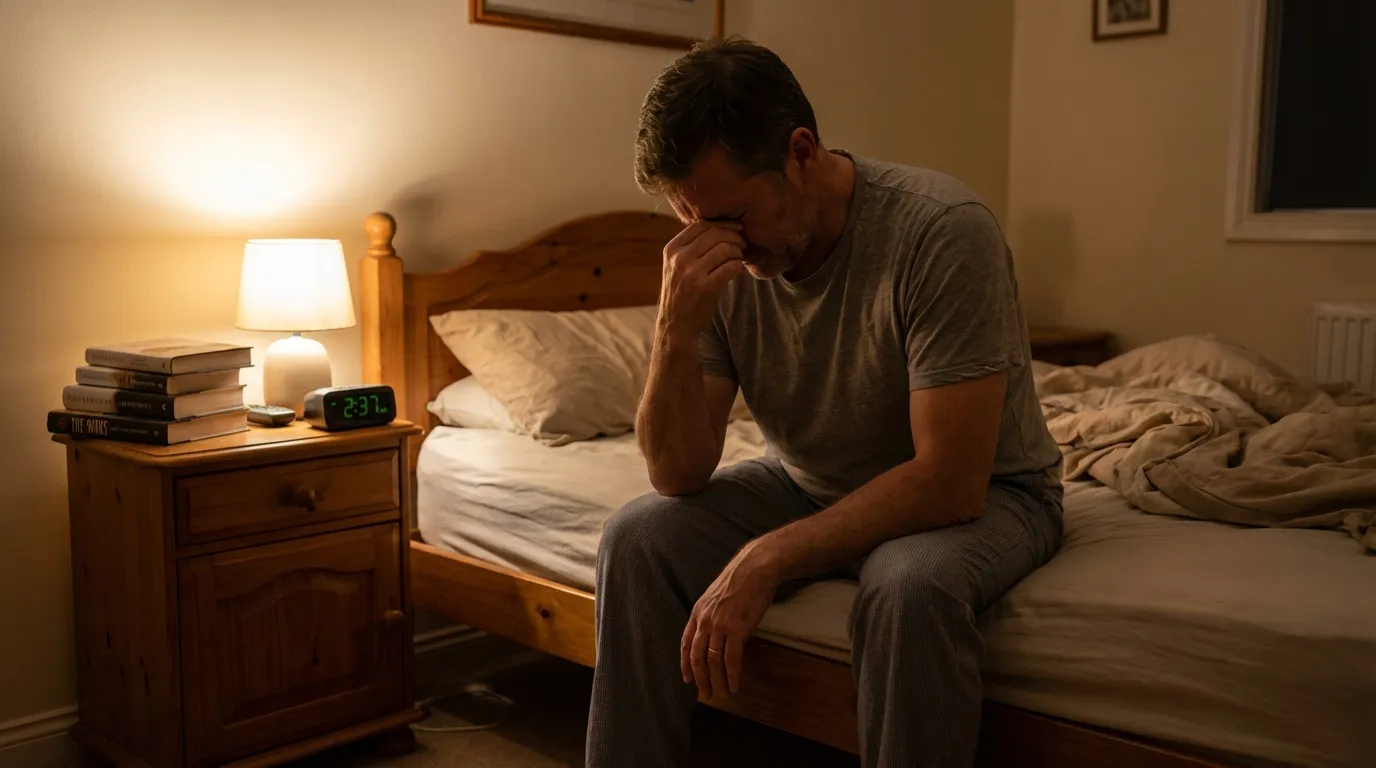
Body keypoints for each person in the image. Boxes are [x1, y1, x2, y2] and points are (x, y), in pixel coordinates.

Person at [586, 36, 1064, 768]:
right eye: (692, 223)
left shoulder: (940, 229)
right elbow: (676, 474)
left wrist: (765, 558)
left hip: (994, 492)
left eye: (734, 218)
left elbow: (951, 480)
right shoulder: (714, 265)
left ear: (801, 153)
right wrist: (673, 331)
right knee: (637, 537)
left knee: (908, 586)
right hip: (807, 482)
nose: (720, 245)